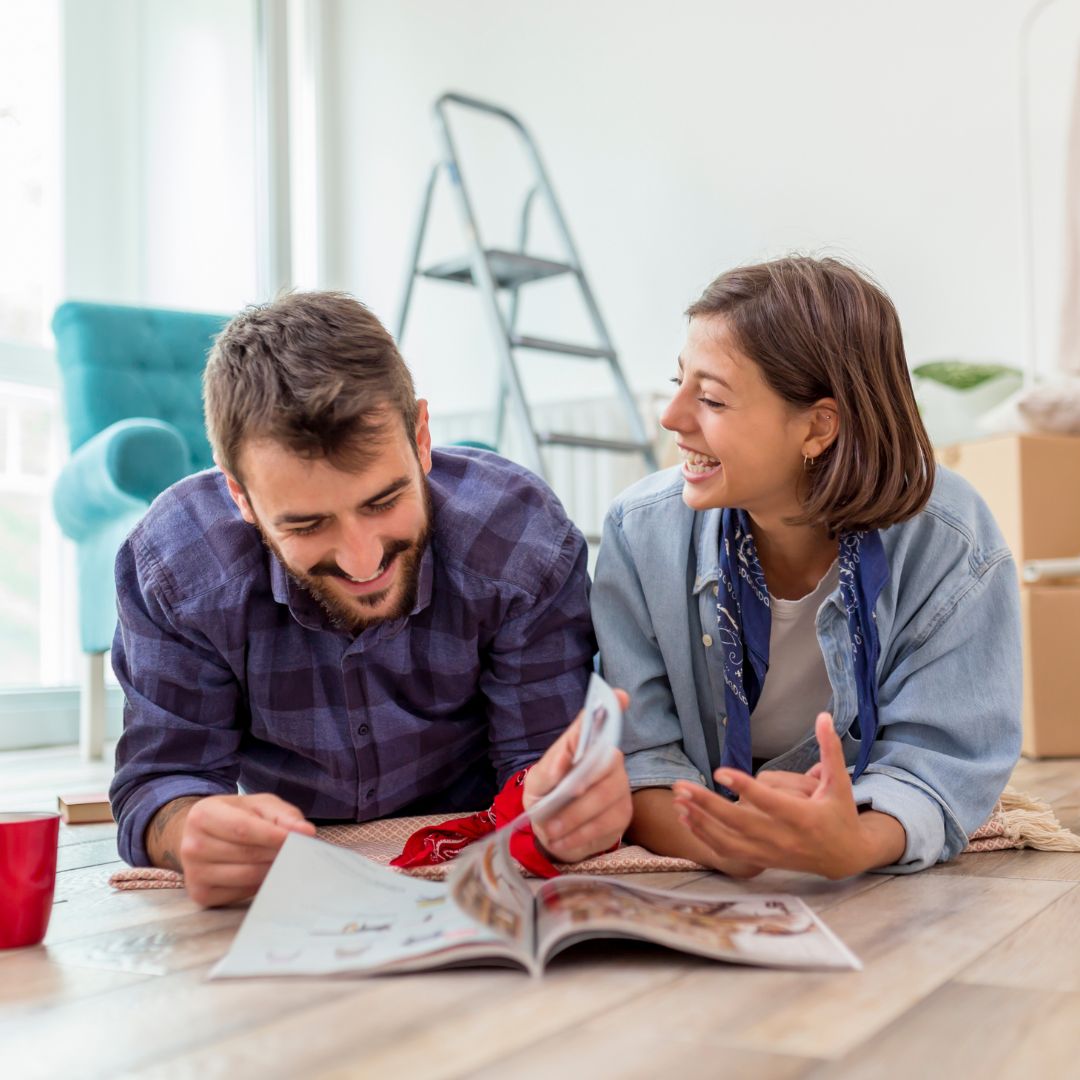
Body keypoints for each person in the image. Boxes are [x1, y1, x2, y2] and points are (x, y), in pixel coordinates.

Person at [109, 291, 631, 907]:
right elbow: (162, 781)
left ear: (422, 437)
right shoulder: (179, 567)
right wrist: (189, 829)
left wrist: (560, 804)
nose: (362, 560)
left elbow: (536, 767)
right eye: (306, 526)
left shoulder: (518, 541)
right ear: (241, 497)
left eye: (383, 502)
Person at [591, 256, 1022, 879]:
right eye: (678, 382)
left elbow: (946, 759)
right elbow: (642, 757)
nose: (672, 416)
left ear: (819, 427)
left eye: (710, 397)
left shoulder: (950, 539)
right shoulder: (640, 530)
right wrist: (734, 846)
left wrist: (855, 842)